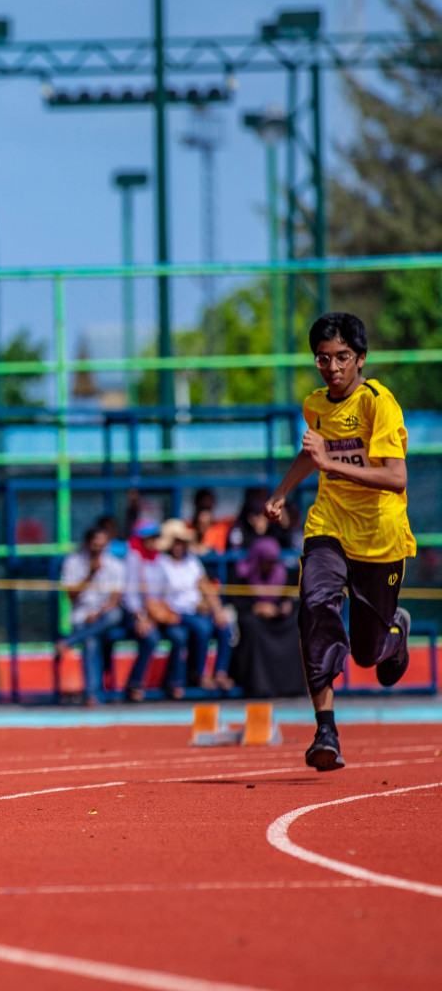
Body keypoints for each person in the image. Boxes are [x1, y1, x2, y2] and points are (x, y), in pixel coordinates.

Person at [265, 313, 414, 771]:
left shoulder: (378, 404)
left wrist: (332, 464)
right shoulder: (315, 405)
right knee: (314, 604)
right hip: (328, 524)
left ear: (360, 358)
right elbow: (312, 454)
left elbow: (395, 476)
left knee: (367, 654)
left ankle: (394, 635)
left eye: (342, 358)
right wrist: (282, 491)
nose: (332, 367)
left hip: (379, 537)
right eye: (323, 358)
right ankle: (325, 729)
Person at [143, 519, 234, 695]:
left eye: (181, 541)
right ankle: (198, 674)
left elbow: (205, 586)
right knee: (202, 628)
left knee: (224, 626)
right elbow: (157, 599)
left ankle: (220, 672)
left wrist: (217, 609)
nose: (179, 545)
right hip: (174, 612)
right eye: (175, 541)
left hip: (196, 610)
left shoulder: (191, 561)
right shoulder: (161, 563)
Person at [227, 536, 306, 698]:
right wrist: (256, 607)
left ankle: (289, 684)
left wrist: (286, 606)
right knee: (250, 626)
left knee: (294, 624)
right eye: (267, 561)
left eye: (273, 561)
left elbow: (292, 597)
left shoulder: (283, 574)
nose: (270, 565)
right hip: (253, 618)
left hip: (277, 619)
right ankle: (258, 684)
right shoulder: (242, 575)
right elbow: (236, 602)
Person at [55, 525, 126, 704]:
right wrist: (91, 574)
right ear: (87, 543)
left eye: (102, 544)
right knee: (91, 641)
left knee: (114, 615)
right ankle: (91, 695)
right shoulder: (73, 562)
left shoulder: (115, 565)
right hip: (81, 617)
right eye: (95, 544)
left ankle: (69, 642)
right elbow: (71, 596)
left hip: (106, 617)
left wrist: (99, 612)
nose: (98, 548)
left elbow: (116, 599)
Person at [113, 520, 165, 702]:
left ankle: (177, 683)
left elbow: (162, 590)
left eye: (154, 537)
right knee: (151, 638)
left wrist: (156, 614)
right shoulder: (133, 557)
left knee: (180, 634)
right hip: (133, 614)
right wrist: (142, 616)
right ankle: (135, 683)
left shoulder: (157, 558)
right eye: (148, 537)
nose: (152, 541)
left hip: (155, 614)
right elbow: (129, 595)